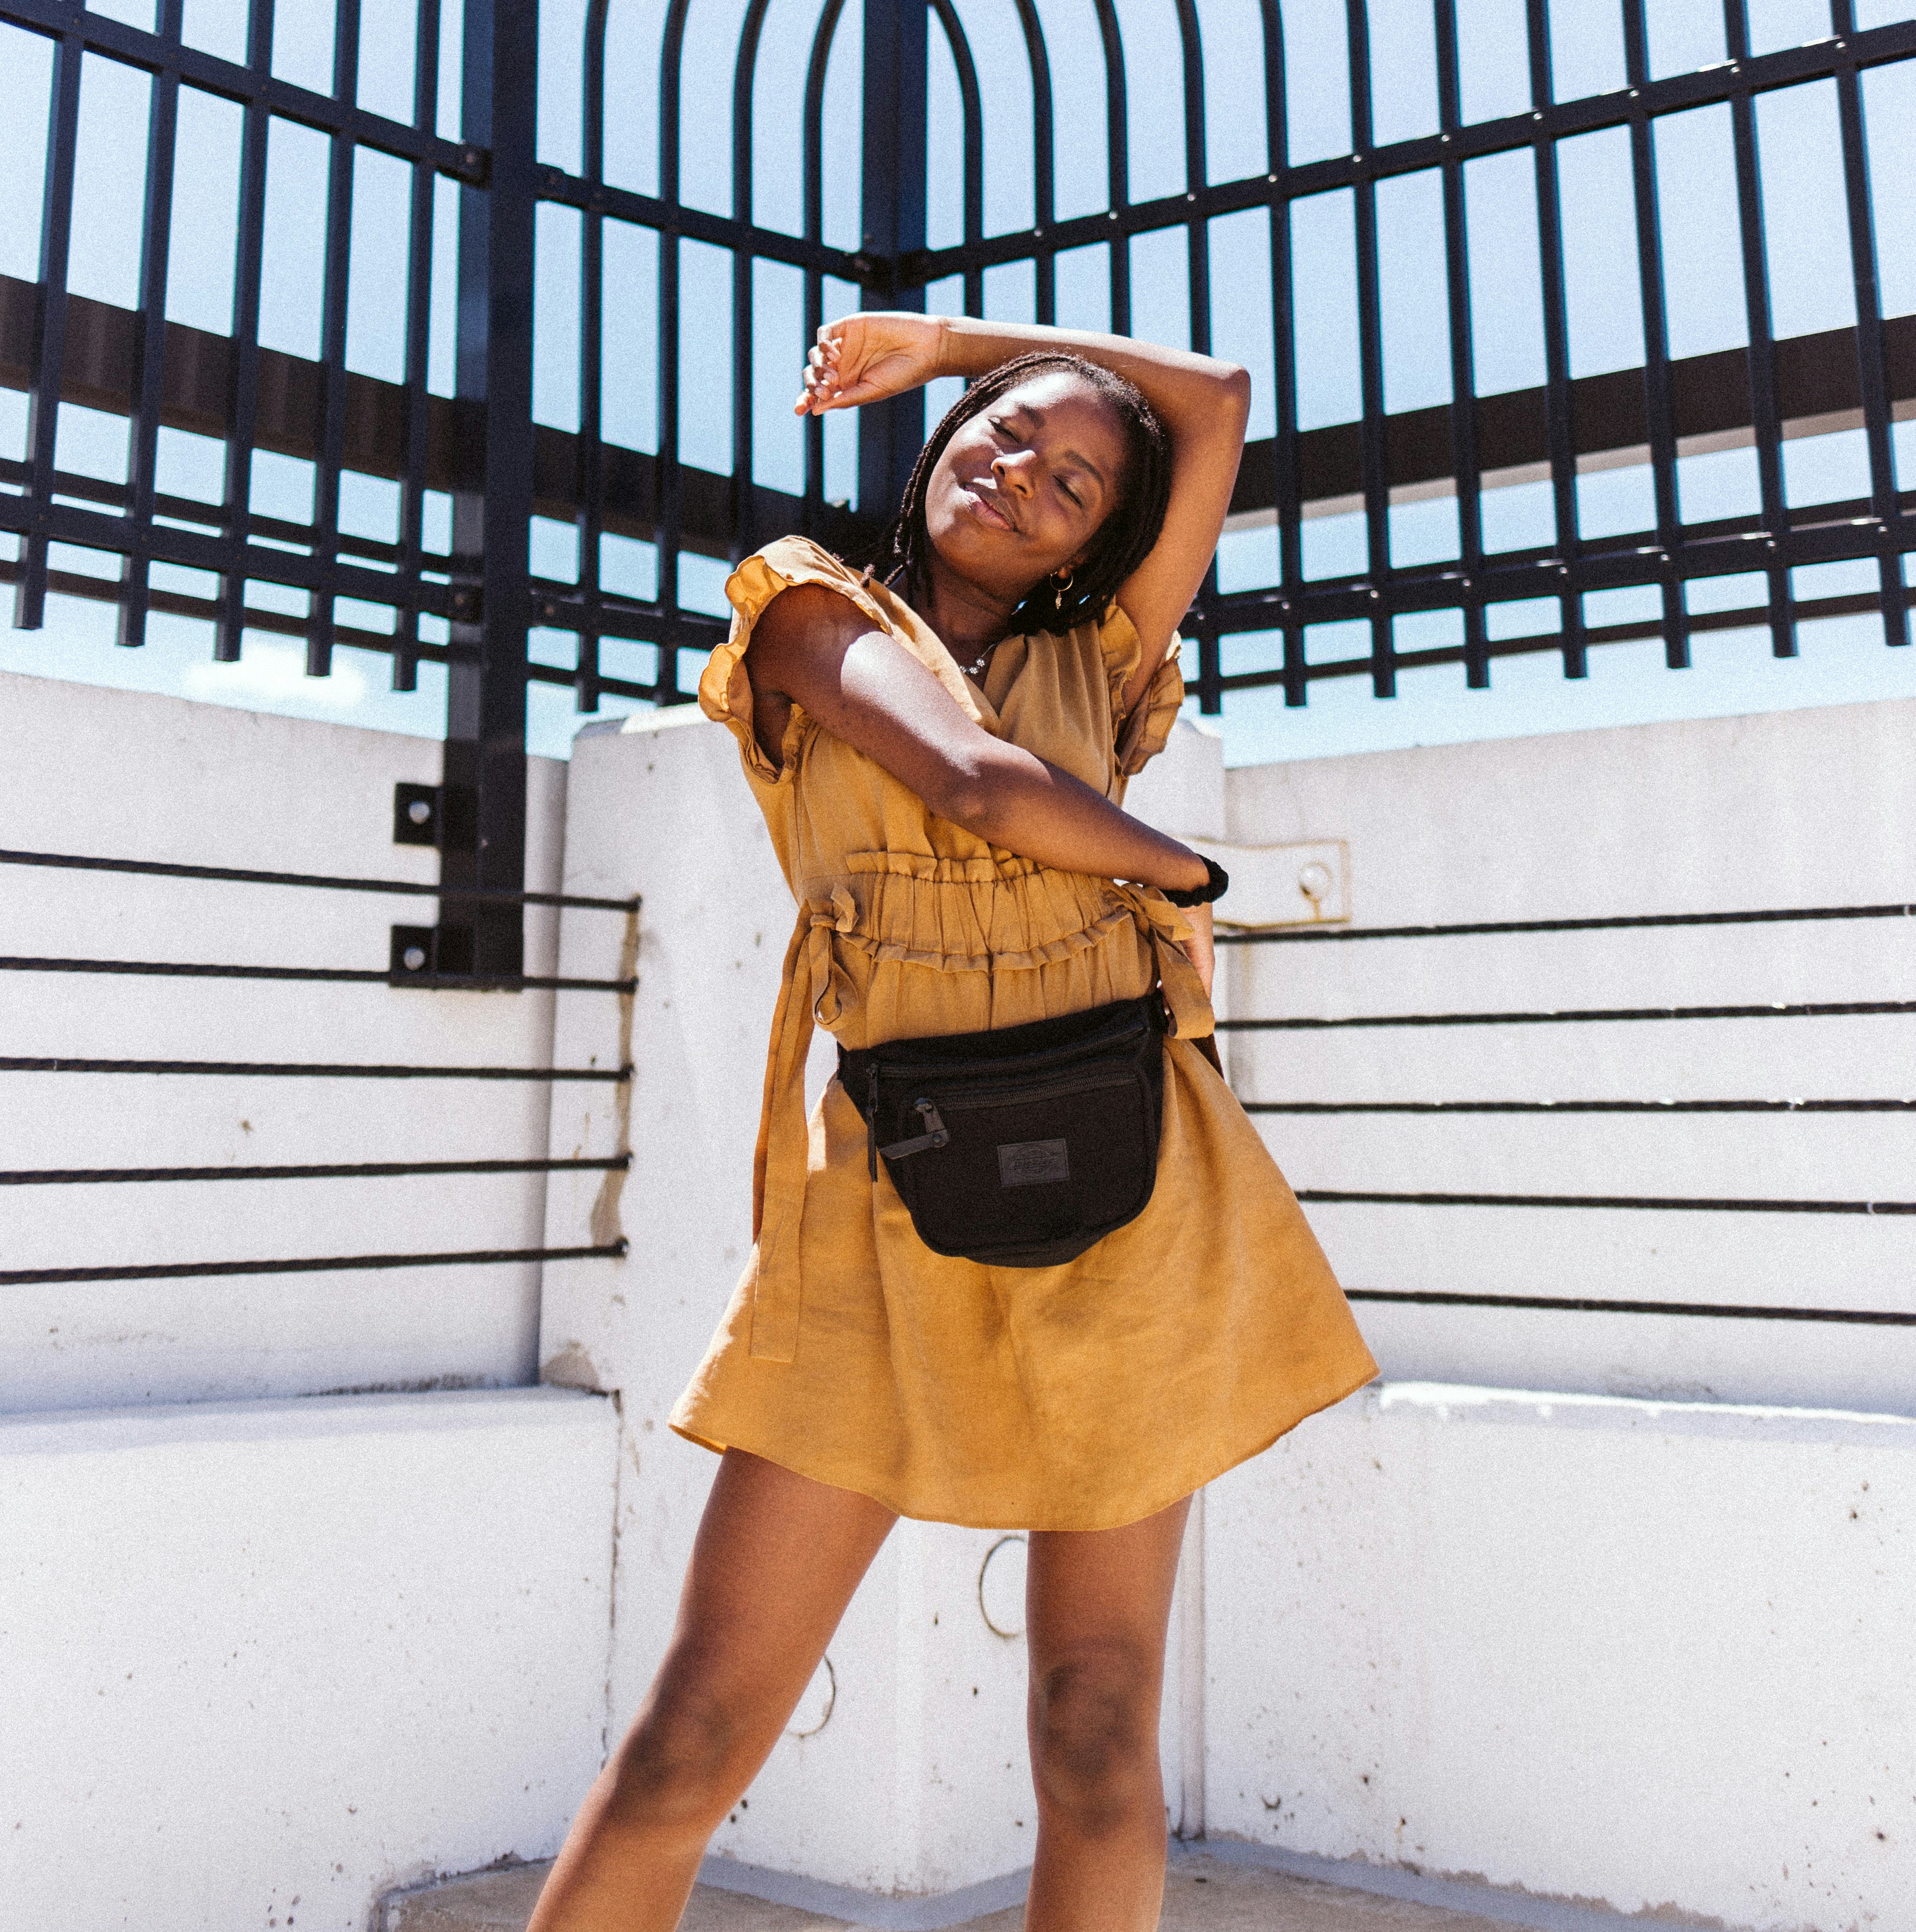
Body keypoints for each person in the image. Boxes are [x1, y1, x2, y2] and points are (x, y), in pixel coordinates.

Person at [528, 315, 1375, 1932]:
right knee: (689, 1740)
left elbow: (1217, 402)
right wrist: (1176, 871)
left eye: (1073, 481)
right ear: (938, 441)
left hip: (1138, 1182)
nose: (1023, 477)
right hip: (890, 1194)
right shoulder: (806, 611)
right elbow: (975, 784)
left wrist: (971, 341)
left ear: (1098, 538)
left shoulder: (1108, 661)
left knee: (1099, 1739)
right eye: (1001, 432)